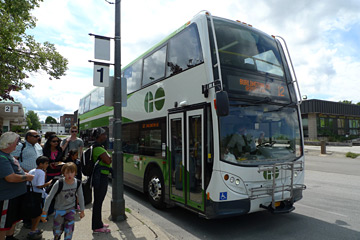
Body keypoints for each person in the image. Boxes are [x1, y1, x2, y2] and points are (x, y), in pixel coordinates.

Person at [0, 132, 34, 240]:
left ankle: (10, 237)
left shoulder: (8, 155)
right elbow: (10, 177)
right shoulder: (1, 157)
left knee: (13, 219)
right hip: (8, 196)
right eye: (16, 142)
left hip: (16, 195)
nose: (17, 144)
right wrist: (26, 178)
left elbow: (17, 171)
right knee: (4, 224)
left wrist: (25, 174)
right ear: (8, 144)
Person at [41, 162, 85, 240]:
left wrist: (82, 210)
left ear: (75, 173)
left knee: (69, 231)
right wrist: (44, 212)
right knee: (57, 232)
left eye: (72, 172)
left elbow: (80, 196)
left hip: (70, 210)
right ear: (63, 173)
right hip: (59, 210)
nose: (69, 175)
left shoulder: (77, 183)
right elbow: (49, 197)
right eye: (67, 172)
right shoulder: (59, 183)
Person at [91, 127, 112, 233]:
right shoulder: (98, 148)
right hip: (100, 178)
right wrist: (110, 157)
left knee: (99, 201)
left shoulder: (98, 147)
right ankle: (97, 226)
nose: (106, 136)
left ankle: (98, 223)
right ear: (99, 136)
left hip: (101, 177)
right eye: (104, 134)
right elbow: (108, 161)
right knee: (98, 202)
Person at [26, 156, 52, 240]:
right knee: (38, 213)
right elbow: (39, 185)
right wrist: (48, 183)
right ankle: (33, 230)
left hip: (30, 192)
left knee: (34, 213)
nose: (47, 165)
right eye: (46, 163)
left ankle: (33, 228)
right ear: (41, 164)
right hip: (38, 194)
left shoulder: (32, 170)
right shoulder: (41, 172)